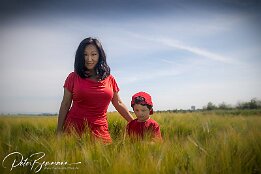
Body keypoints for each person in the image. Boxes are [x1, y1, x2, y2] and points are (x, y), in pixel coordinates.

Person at [57, 37, 134, 143]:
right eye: (85, 55)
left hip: (100, 131)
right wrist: (59, 131)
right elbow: (65, 104)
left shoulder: (110, 79)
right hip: (73, 131)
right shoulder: (73, 77)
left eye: (93, 54)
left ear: (100, 56)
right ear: (80, 57)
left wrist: (134, 123)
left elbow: (118, 103)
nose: (89, 59)